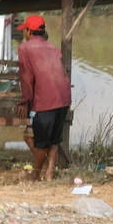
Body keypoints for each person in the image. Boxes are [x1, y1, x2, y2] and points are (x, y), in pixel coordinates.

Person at [16, 15, 71, 181]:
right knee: (53, 140)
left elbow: (27, 78)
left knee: (41, 142)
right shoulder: (53, 48)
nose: (23, 33)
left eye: (24, 30)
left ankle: (35, 175)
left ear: (29, 31)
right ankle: (49, 173)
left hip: (45, 99)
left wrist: (25, 101)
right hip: (64, 98)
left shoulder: (25, 48)